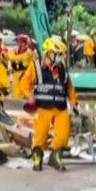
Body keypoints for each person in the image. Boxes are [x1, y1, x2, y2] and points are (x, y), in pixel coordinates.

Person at [21, 35, 77, 172]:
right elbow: (24, 83)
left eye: (60, 55)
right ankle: (37, 159)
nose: (59, 57)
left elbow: (69, 88)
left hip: (60, 108)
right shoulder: (36, 67)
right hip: (43, 108)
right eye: (57, 54)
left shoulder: (62, 69)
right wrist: (29, 96)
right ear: (48, 53)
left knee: (63, 135)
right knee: (40, 136)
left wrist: (74, 103)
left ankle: (54, 158)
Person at [9, 32, 37, 97]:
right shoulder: (14, 51)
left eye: (19, 42)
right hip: (16, 76)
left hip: (25, 75)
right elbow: (10, 57)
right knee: (17, 94)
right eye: (17, 42)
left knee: (25, 93)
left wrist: (13, 57)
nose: (17, 44)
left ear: (25, 43)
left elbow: (22, 57)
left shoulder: (29, 52)